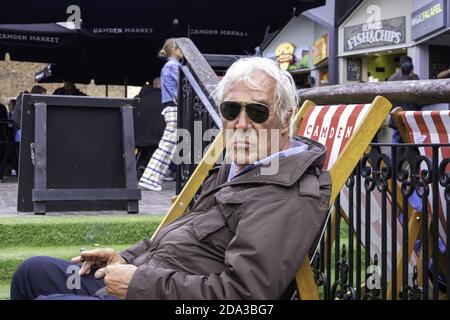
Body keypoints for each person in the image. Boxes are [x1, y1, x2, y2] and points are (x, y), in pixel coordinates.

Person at [10, 57, 331, 300]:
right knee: (30, 271)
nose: (241, 123)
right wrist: (125, 258)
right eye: (231, 110)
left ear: (286, 120)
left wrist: (138, 283)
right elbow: (180, 237)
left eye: (258, 112)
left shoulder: (289, 193)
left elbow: (244, 297)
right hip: (152, 279)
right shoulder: (238, 171)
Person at [138, 38, 183, 191]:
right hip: (174, 107)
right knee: (167, 146)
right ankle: (150, 179)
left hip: (170, 107)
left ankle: (151, 179)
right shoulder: (173, 66)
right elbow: (181, 87)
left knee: (168, 145)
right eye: (181, 48)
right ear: (174, 50)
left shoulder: (170, 65)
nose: (183, 52)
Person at [133, 78, 167, 179]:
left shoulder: (138, 98)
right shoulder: (166, 100)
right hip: (158, 139)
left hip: (138, 138)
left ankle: (142, 166)